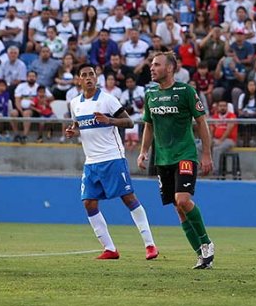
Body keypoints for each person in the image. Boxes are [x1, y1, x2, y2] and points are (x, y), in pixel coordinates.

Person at [64, 63, 159, 261]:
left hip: (112, 158)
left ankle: (150, 245)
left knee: (128, 198)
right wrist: (74, 132)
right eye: (84, 75)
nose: (89, 77)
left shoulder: (107, 100)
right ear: (79, 80)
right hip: (91, 162)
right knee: (89, 203)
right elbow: (77, 125)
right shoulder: (75, 103)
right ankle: (110, 249)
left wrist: (110, 121)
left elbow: (129, 122)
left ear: (96, 77)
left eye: (92, 74)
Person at [138, 51, 216, 269]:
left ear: (170, 68)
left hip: (185, 154)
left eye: (156, 65)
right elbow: (149, 125)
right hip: (162, 158)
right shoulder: (150, 95)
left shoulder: (186, 91)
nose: (152, 68)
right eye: (151, 65)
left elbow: (201, 122)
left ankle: (207, 243)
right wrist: (143, 151)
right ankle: (201, 255)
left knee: (182, 200)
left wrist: (206, 153)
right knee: (178, 208)